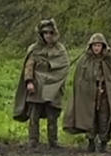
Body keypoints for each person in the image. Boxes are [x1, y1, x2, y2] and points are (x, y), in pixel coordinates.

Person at [12, 18, 70, 148]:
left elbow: (64, 68)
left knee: (52, 116)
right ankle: (33, 140)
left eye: (50, 32)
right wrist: (29, 82)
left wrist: (57, 84)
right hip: (37, 86)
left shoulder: (60, 50)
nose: (48, 36)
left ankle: (53, 141)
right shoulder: (34, 49)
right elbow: (29, 66)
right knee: (34, 115)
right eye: (45, 33)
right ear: (41, 34)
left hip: (53, 88)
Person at [63, 33, 111, 153]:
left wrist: (109, 90)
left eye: (99, 45)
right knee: (89, 119)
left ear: (103, 46)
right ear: (91, 46)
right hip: (89, 95)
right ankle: (91, 142)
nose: (96, 48)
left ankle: (103, 143)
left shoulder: (110, 60)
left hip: (105, 96)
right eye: (95, 45)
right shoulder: (85, 60)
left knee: (104, 119)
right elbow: (79, 79)